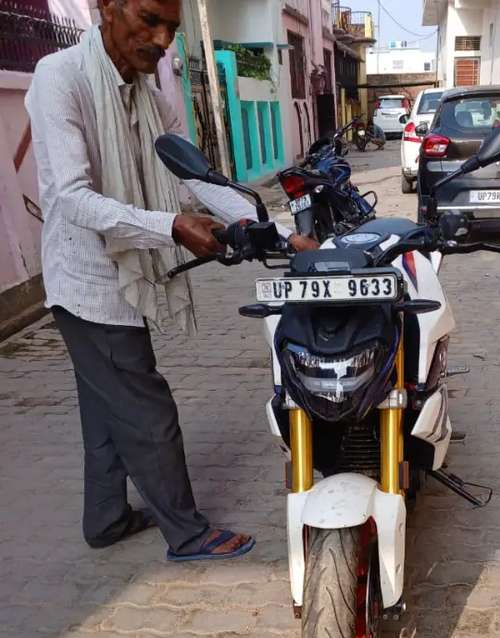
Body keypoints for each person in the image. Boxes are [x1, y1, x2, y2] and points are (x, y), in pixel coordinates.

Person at [25, 0, 315, 561]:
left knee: (105, 410)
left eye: (171, 29)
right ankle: (187, 533)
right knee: (146, 410)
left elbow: (200, 181)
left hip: (123, 272)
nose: (162, 40)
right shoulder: (59, 78)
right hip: (90, 283)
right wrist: (171, 226)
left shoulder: (152, 98)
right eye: (150, 20)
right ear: (107, 8)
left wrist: (279, 234)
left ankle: (106, 520)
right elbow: (72, 198)